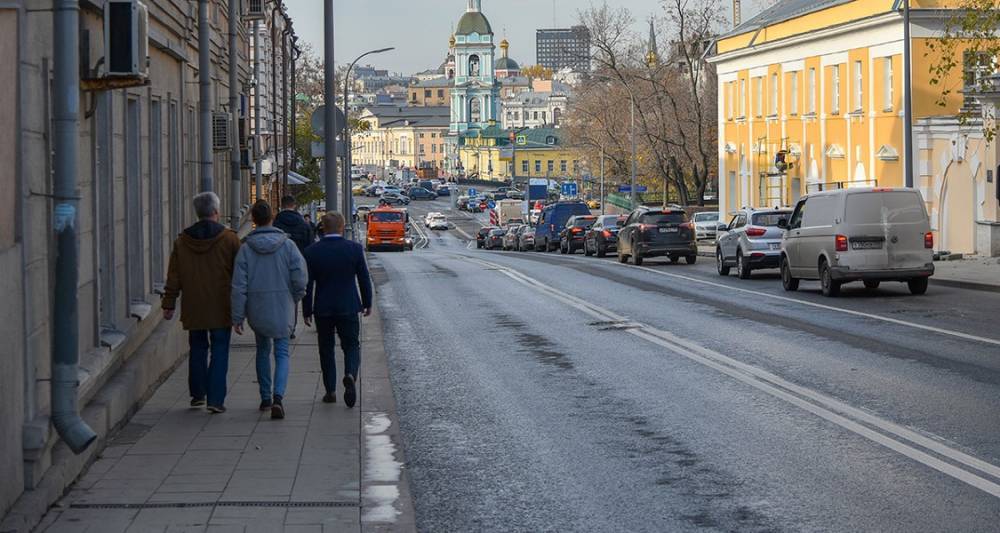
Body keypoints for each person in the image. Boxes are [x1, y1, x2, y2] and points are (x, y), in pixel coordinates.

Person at [162, 192, 241, 414]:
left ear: (198, 213)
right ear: (216, 212)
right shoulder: (230, 240)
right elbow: (240, 275)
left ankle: (197, 395)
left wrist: (169, 303)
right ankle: (215, 399)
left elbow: (174, 276)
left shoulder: (182, 242)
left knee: (197, 348)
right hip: (221, 305)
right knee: (219, 350)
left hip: (193, 305)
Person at [231, 201, 308, 420]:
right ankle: (278, 397)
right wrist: (295, 297)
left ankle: (265, 397)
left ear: (253, 220)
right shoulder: (288, 246)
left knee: (262, 350)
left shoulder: (246, 249)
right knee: (282, 352)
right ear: (272, 218)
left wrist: (238, 315)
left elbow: (238, 285)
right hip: (283, 304)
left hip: (258, 307)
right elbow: (299, 276)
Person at [302, 212, 373, 407]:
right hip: (348, 306)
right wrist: (367, 303)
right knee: (351, 345)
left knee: (326, 349)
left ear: (323, 228)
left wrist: (306, 310)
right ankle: (350, 373)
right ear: (342, 227)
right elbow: (364, 279)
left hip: (323, 308)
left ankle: (330, 391)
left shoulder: (312, 252)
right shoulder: (354, 249)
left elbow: (307, 285)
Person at [273, 195, 312, 338]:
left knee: (278, 296)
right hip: (298, 265)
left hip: (278, 265)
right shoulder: (304, 225)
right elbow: (310, 247)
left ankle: (279, 325)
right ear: (294, 205)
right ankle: (291, 327)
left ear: (282, 206)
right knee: (293, 298)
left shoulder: (276, 224)